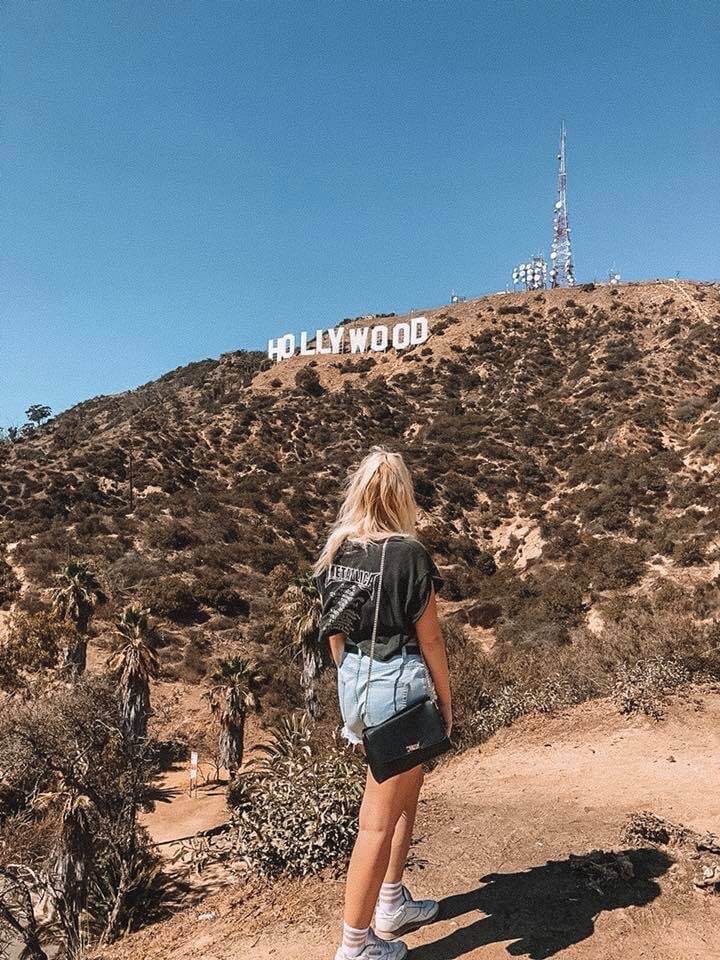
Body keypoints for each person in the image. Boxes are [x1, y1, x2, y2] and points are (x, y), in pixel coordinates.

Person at [314, 448, 452, 960]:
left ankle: (391, 903)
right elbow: (432, 641)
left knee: (404, 797)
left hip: (358, 681)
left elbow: (332, 635)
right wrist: (445, 700)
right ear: (400, 495)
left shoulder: (337, 552)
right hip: (402, 688)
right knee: (376, 821)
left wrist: (354, 681)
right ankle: (355, 945)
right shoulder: (409, 554)